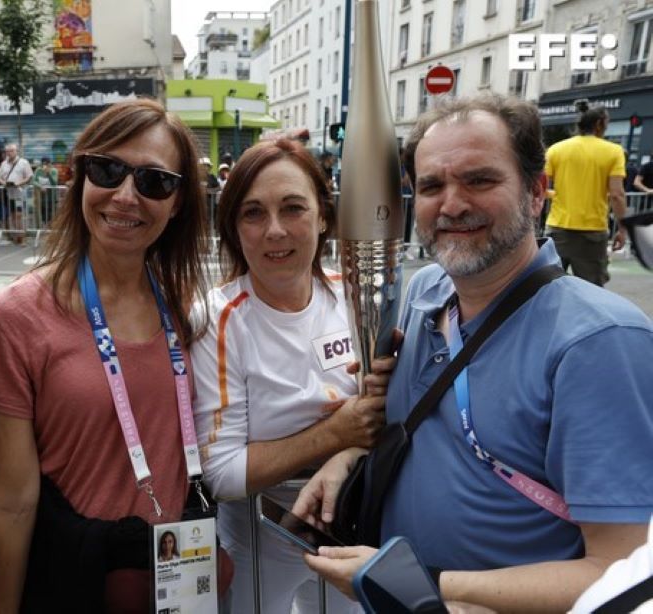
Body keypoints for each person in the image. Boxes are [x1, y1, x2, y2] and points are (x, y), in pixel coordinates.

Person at [295, 93, 653, 612]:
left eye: (480, 180)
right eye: (432, 186)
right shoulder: (425, 293)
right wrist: (347, 456)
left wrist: (426, 584)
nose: (453, 204)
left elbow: (621, 573)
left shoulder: (599, 341)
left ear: (536, 192)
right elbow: (418, 429)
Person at [0, 99, 229, 613]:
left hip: (175, 576)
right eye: (108, 170)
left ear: (177, 202)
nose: (126, 196)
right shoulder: (14, 317)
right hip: (77, 582)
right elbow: (9, 500)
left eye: (154, 181)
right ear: (81, 178)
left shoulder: (183, 307)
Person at [191, 139, 390, 614]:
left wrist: (356, 440)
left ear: (323, 216)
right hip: (262, 545)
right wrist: (337, 432)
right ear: (234, 228)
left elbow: (387, 414)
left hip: (353, 528)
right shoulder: (218, 320)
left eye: (293, 208)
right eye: (253, 213)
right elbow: (220, 474)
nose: (275, 231)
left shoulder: (357, 296)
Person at [544, 99, 628, 286]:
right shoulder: (613, 151)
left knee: (548, 287)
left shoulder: (556, 150)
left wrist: (555, 195)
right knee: (592, 289)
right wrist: (623, 228)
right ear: (599, 124)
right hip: (592, 233)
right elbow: (617, 194)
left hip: (558, 229)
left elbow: (538, 188)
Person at [0, 142, 32, 244]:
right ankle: (17, 235)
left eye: (11, 151)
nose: (9, 153)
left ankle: (22, 237)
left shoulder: (23, 162)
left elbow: (29, 176)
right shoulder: (3, 164)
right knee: (12, 215)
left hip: (20, 193)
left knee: (19, 215)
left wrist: (19, 183)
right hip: (8, 194)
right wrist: (4, 183)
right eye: (7, 151)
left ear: (16, 151)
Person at [32, 156, 59, 227]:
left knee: (51, 214)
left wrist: (48, 173)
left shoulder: (54, 171)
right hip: (41, 197)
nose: (45, 166)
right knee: (43, 214)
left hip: (51, 197)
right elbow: (33, 181)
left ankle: (50, 229)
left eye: (47, 164)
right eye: (43, 164)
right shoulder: (38, 170)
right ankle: (44, 228)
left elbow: (54, 183)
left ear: (50, 164)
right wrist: (40, 186)